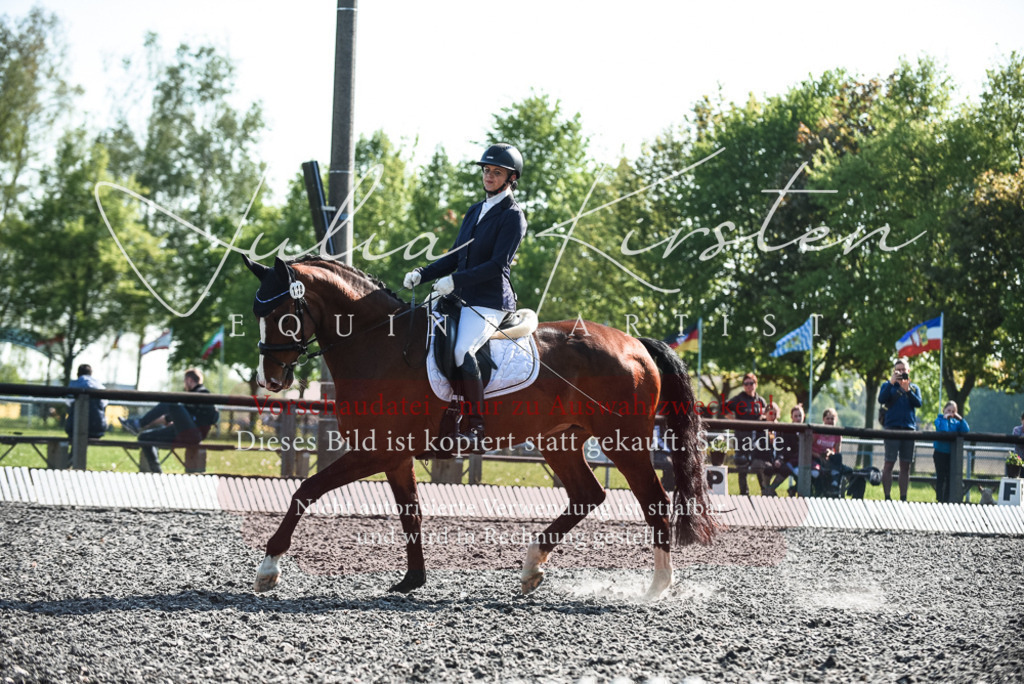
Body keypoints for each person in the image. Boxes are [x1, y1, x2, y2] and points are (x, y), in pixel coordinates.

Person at [403, 143, 528, 453]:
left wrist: (454, 280)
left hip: (489, 301)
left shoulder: (513, 216)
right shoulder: (475, 210)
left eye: (496, 172)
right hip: (459, 296)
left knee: (462, 350)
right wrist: (424, 273)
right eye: (486, 171)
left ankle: (475, 425)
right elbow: (457, 255)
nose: (489, 176)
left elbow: (497, 265)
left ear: (511, 178)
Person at [119, 368, 219, 473]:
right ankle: (156, 472)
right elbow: (168, 418)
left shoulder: (202, 393)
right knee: (144, 437)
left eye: (185, 382)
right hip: (182, 432)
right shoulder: (192, 398)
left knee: (170, 401)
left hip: (193, 434)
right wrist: (150, 424)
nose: (184, 385)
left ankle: (138, 424)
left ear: (189, 380)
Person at [877, 357, 923, 501]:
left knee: (905, 465)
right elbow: (881, 399)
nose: (901, 372)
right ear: (894, 371)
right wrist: (891, 383)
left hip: (908, 429)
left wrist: (908, 390)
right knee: (889, 463)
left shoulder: (914, 388)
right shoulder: (887, 385)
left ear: (908, 371)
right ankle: (887, 497)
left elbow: (918, 403)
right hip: (891, 428)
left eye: (904, 370)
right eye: (898, 370)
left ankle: (903, 497)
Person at [723, 373, 767, 495]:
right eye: (746, 384)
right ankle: (744, 494)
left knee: (758, 466)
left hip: (757, 439)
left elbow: (767, 415)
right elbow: (723, 408)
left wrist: (763, 418)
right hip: (742, 437)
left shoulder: (760, 401)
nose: (749, 386)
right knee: (742, 468)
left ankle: (764, 492)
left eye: (751, 383)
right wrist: (734, 420)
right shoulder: (739, 399)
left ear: (756, 384)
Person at [765, 404, 807, 496]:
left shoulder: (807, 431)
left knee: (807, 472)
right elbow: (782, 447)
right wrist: (780, 459)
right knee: (785, 468)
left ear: (804, 416)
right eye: (796, 416)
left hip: (803, 461)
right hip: (787, 459)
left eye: (800, 416)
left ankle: (794, 490)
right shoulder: (787, 430)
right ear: (791, 417)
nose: (798, 418)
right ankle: (770, 490)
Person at [932, 400, 969, 503]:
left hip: (951, 455)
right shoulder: (938, 420)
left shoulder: (956, 423)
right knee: (941, 477)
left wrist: (960, 419)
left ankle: (947, 499)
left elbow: (966, 430)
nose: (950, 413)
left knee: (949, 478)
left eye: (953, 411)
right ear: (944, 410)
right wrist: (945, 419)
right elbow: (943, 430)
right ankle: (940, 499)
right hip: (939, 453)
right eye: (948, 410)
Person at [65, 364, 108, 439]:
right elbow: (104, 403)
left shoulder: (73, 384)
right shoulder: (99, 385)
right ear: (91, 373)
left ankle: (74, 450)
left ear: (77, 374)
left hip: (74, 427)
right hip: (97, 428)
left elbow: (68, 402)